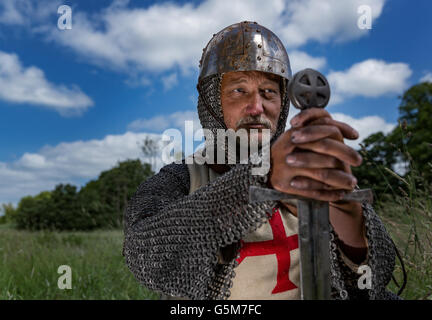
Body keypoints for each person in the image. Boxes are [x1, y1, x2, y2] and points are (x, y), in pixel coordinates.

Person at [123, 21, 399, 300]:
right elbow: (143, 255)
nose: (257, 107)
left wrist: (349, 219)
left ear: (283, 102)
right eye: (239, 91)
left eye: (269, 91)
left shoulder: (309, 170)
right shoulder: (182, 178)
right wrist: (261, 176)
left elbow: (370, 279)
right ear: (212, 101)